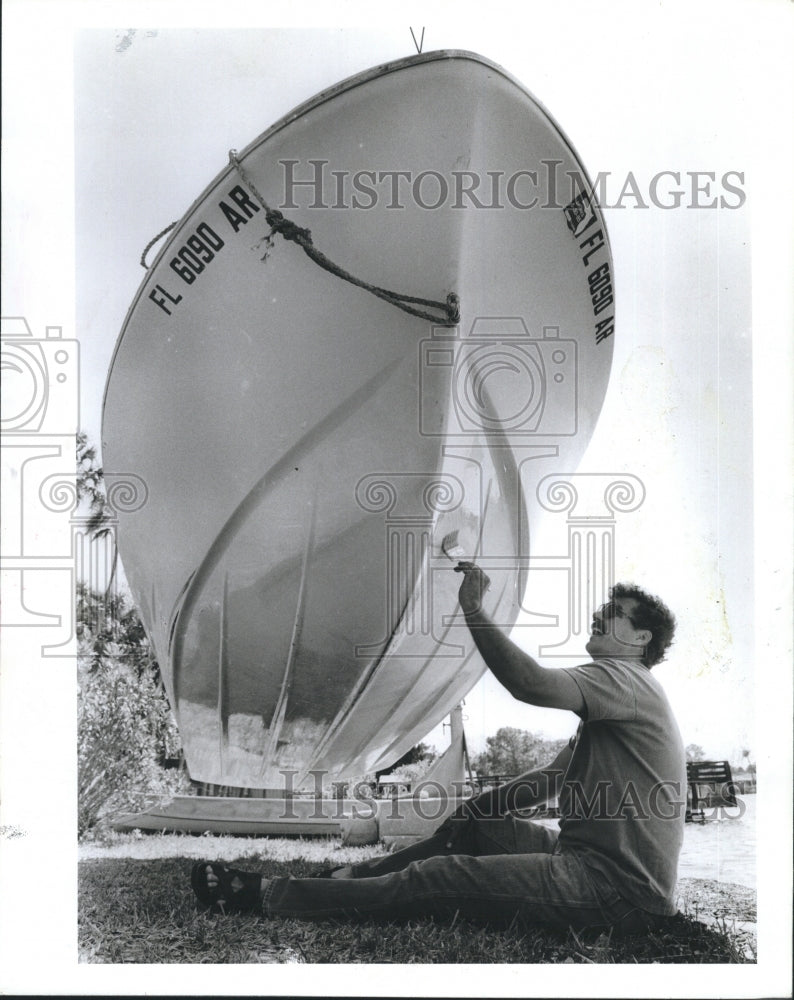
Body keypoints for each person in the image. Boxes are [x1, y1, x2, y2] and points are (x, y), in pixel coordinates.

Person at [191, 564, 686, 935]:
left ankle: (268, 895)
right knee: (479, 828)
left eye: (614, 613)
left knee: (438, 876)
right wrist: (474, 810)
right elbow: (554, 775)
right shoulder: (622, 695)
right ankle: (345, 877)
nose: (598, 614)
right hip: (588, 862)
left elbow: (530, 684)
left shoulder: (625, 678)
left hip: (614, 891)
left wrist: (472, 608)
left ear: (641, 638)